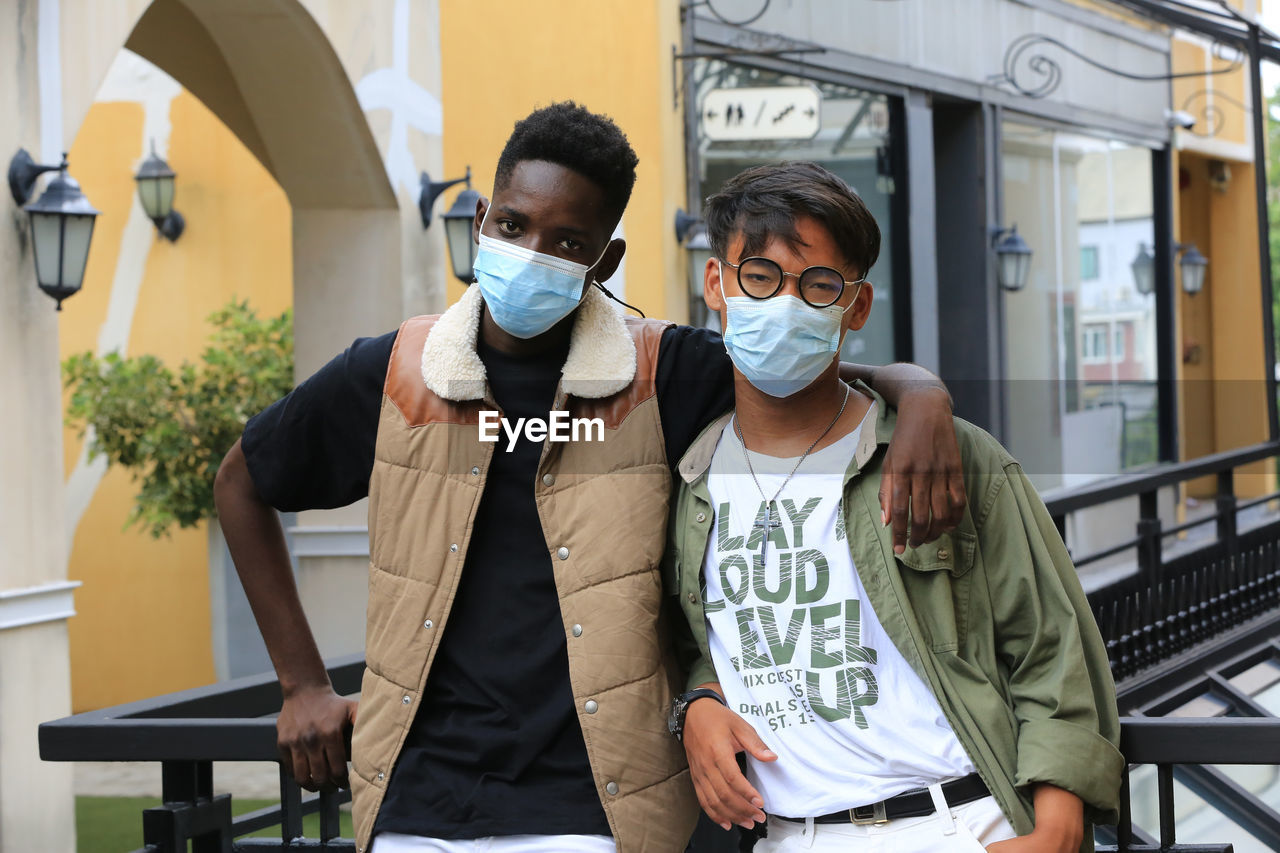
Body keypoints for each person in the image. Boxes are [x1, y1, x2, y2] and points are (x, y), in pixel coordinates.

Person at [213, 103, 966, 853]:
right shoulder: (396, 372)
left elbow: (811, 381)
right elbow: (241, 482)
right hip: (417, 802)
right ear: (480, 218)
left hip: (598, 808)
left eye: (567, 240)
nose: (532, 251)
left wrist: (922, 394)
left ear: (604, 259)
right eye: (512, 225)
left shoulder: (661, 371)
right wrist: (301, 683)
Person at [665, 161, 1123, 853]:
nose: (785, 304)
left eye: (817, 285)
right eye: (759, 275)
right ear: (716, 283)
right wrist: (697, 702)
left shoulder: (951, 456)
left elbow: (1052, 645)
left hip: (961, 823)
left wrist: (1058, 818)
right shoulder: (691, 478)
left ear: (855, 306)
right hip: (791, 836)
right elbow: (704, 642)